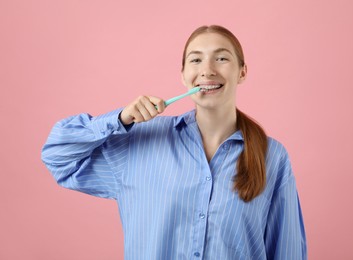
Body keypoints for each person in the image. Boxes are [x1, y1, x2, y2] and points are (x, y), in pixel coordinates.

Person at [42, 25, 307, 260]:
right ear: (183, 75)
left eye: (222, 58)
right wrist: (120, 119)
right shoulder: (138, 141)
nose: (207, 70)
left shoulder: (273, 157)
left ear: (242, 72)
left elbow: (288, 252)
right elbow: (57, 155)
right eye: (196, 60)